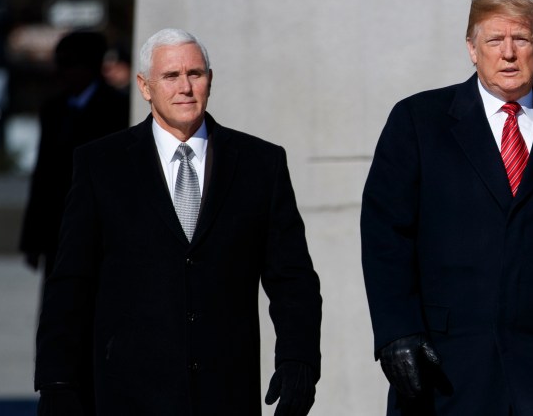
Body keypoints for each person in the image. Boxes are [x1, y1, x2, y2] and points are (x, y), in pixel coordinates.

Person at [361, 0, 533, 416]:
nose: (508, 53)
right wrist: (396, 333)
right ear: (471, 48)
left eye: (521, 40)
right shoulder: (417, 121)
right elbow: (384, 235)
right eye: (493, 41)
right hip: (446, 366)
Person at [34, 28, 322, 416]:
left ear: (210, 80)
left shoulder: (259, 163)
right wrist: (57, 380)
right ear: (145, 87)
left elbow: (293, 278)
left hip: (226, 390)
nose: (185, 87)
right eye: (171, 76)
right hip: (129, 393)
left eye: (195, 74)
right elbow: (71, 281)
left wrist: (298, 360)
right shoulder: (101, 166)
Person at [20, 30, 130, 278]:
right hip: (58, 227)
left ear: (90, 65)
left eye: (68, 63)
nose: (60, 71)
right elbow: (43, 174)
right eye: (59, 63)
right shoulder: (54, 109)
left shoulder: (118, 108)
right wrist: (32, 240)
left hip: (100, 227)